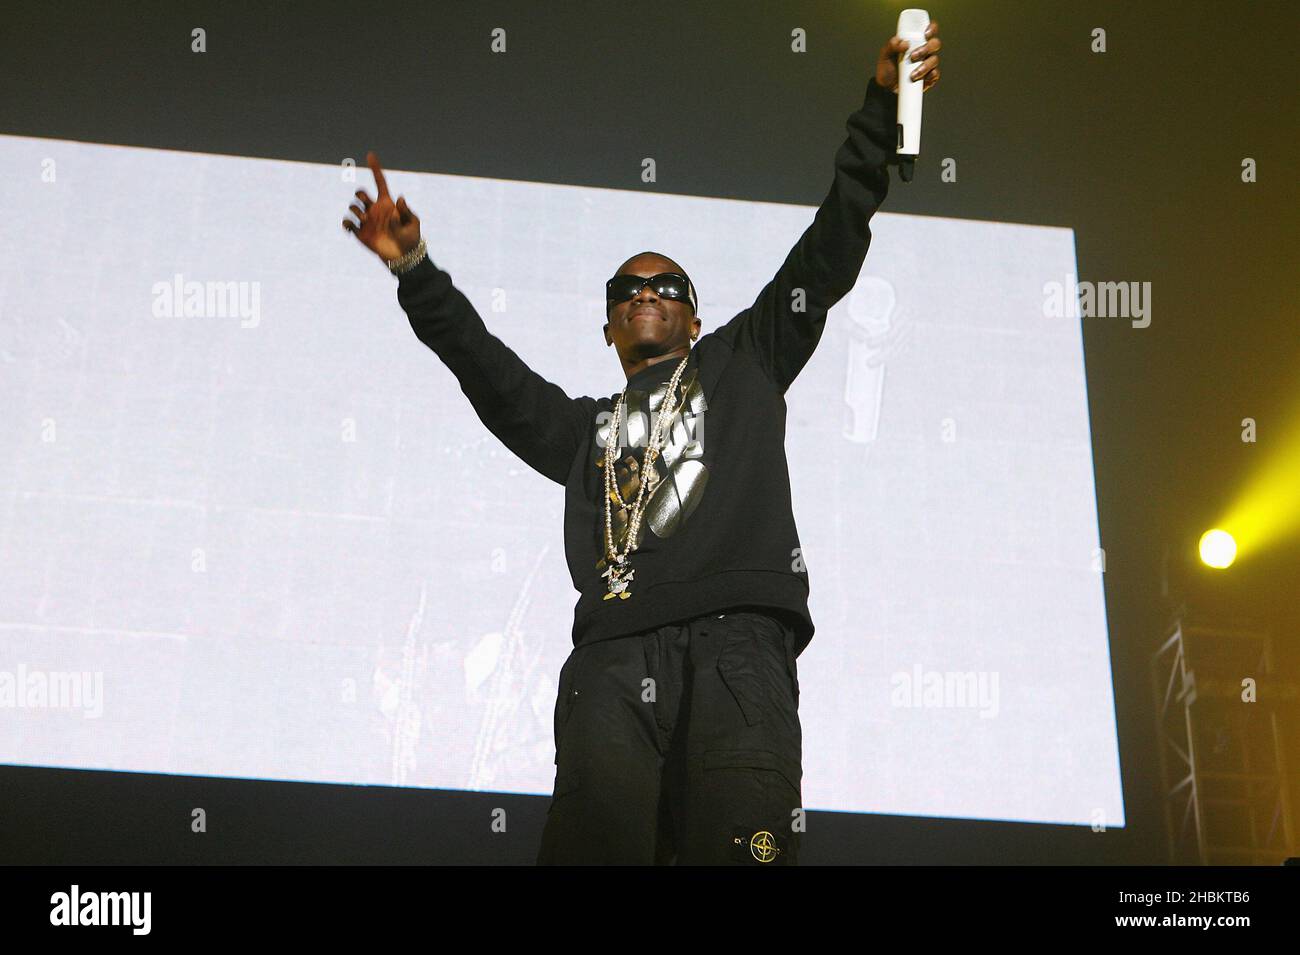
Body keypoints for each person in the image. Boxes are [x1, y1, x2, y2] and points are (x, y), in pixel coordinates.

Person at [344, 24, 943, 865]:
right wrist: (416, 269)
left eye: (667, 286)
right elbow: (492, 378)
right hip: (616, 660)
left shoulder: (749, 358)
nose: (646, 295)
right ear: (609, 324)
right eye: (627, 289)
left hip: (739, 645)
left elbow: (831, 244)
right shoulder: (585, 431)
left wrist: (881, 109)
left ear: (694, 318)